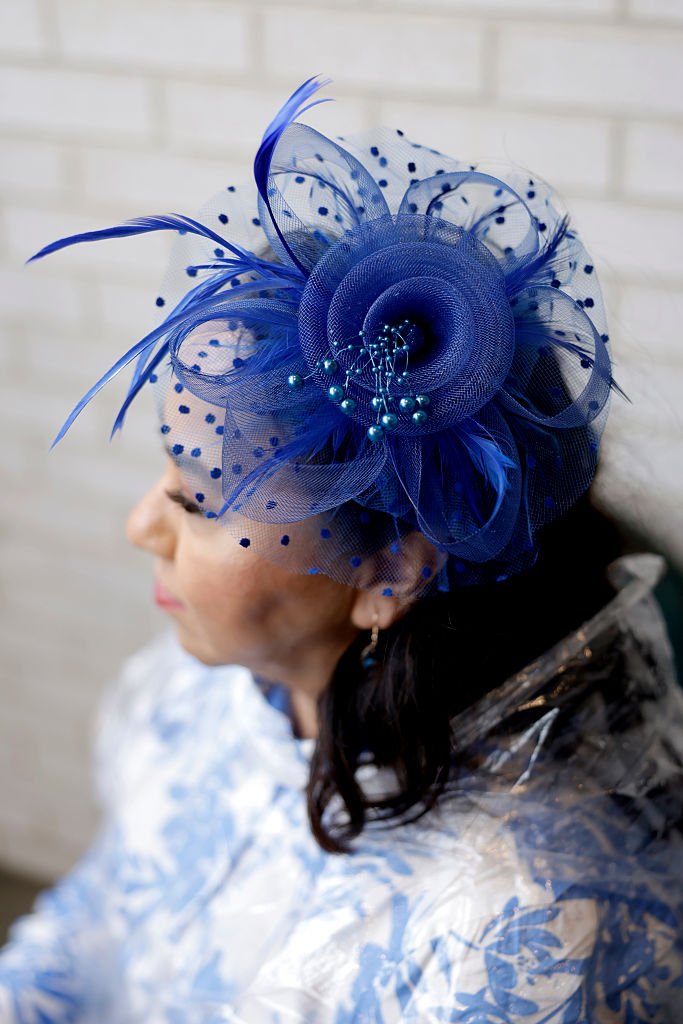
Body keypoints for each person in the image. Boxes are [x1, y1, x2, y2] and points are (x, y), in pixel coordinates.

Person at [1, 77, 681, 1022]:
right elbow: (111, 909)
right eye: (166, 474)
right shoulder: (220, 680)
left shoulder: (522, 930)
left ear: (392, 569)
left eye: (199, 500)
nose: (139, 528)